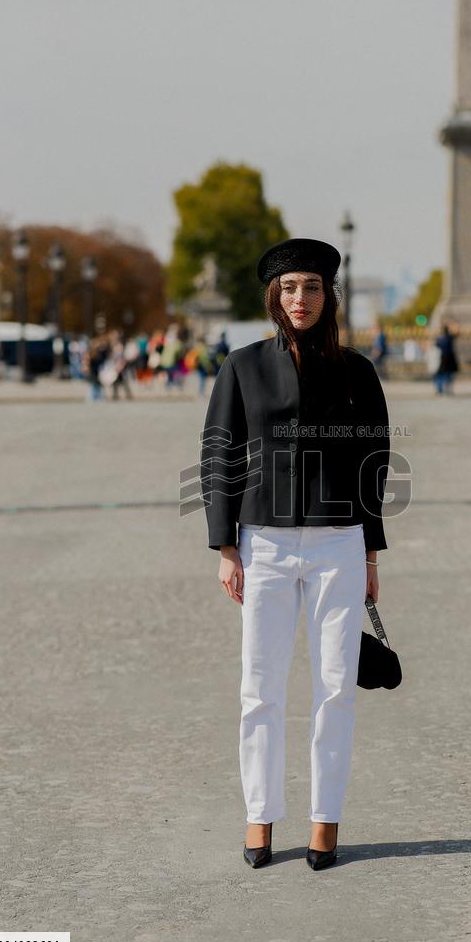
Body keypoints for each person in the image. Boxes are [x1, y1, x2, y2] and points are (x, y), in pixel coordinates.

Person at [200, 237, 390, 872]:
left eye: (310, 287)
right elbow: (219, 453)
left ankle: (324, 822)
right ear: (274, 297)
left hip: (339, 542)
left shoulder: (357, 370)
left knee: (336, 688)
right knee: (260, 687)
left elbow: (374, 465)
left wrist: (369, 555)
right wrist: (227, 545)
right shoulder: (242, 366)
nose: (300, 298)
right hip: (266, 544)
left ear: (326, 295)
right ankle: (259, 819)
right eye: (289, 288)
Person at [433, 322, 460, 395]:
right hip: (450, 358)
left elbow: (436, 346)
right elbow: (457, 334)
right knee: (449, 375)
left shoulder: (439, 339)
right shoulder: (449, 337)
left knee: (440, 374)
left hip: (442, 357)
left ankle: (439, 390)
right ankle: (448, 390)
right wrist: (457, 325)